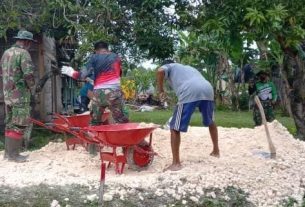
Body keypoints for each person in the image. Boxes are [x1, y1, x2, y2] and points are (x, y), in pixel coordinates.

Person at [61, 41, 129, 153]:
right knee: (122, 121)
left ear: (96, 50)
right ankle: (127, 149)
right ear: (107, 48)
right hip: (114, 93)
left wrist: (71, 72)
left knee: (94, 123)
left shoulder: (94, 58)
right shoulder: (116, 57)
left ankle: (93, 151)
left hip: (98, 95)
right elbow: (118, 74)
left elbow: (82, 75)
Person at [156, 60, 220, 171]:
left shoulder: (169, 66)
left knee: (175, 127)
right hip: (207, 88)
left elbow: (160, 71)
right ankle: (216, 151)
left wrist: (161, 90)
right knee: (211, 121)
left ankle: (176, 163)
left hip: (190, 90)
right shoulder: (188, 68)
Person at [1, 30, 36, 162]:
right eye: (30, 43)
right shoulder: (23, 53)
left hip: (7, 94)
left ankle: (8, 154)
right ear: (26, 41)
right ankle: (14, 155)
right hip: (20, 95)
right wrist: (33, 87)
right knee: (19, 124)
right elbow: (28, 74)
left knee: (10, 123)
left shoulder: (6, 53)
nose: (30, 45)